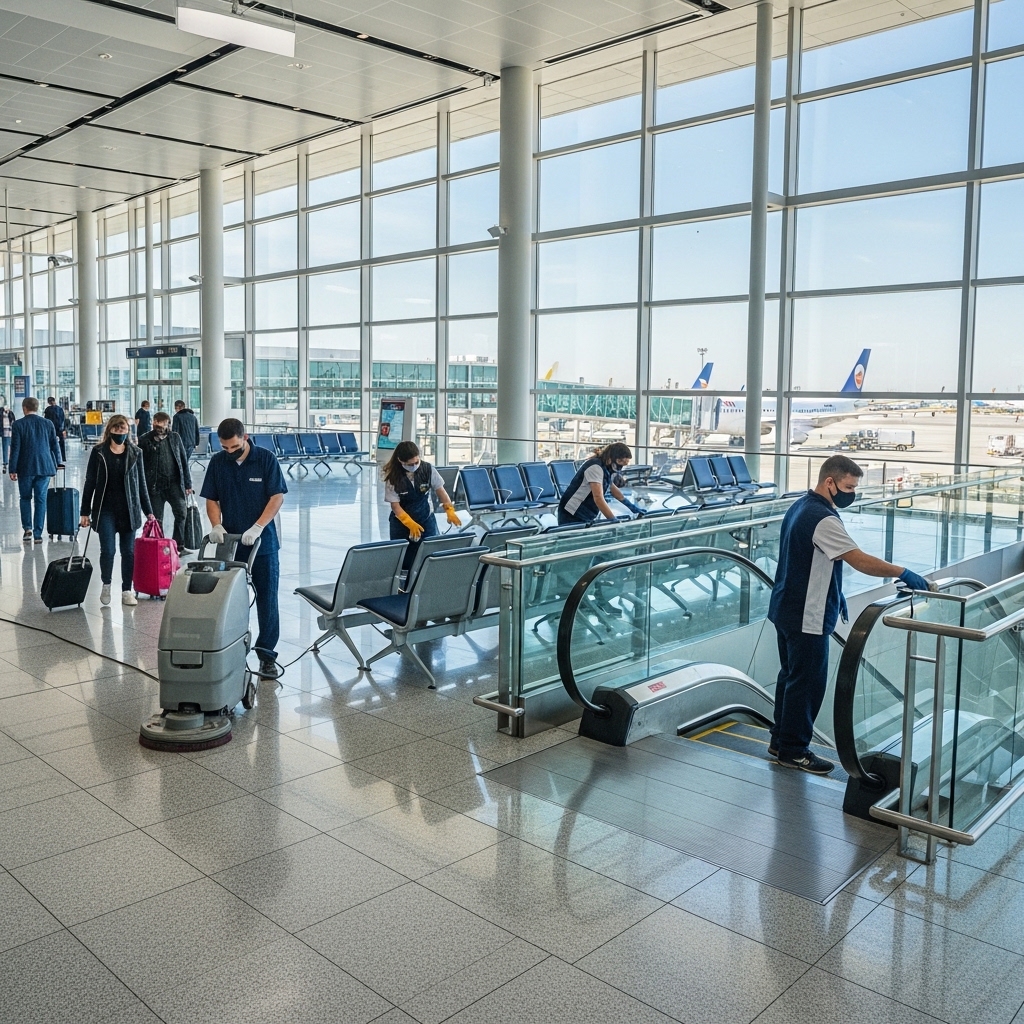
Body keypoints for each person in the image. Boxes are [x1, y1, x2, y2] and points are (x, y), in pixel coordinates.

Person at [767, 454, 933, 774]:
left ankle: (780, 740)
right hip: (807, 615)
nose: (851, 493)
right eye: (847, 486)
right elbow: (860, 560)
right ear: (829, 482)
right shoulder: (823, 518)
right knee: (808, 684)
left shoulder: (800, 506)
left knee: (790, 677)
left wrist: (835, 590)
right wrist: (904, 571)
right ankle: (794, 750)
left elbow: (806, 557)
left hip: (786, 608)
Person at [201, 418, 287, 679]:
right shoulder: (218, 462)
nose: (230, 452)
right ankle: (229, 651)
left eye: (234, 447)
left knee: (267, 599)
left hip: (262, 543)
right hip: (229, 543)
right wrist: (217, 526)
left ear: (245, 437)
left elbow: (277, 497)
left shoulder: (265, 459)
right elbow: (212, 498)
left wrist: (258, 527)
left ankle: (266, 655)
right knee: (228, 600)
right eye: (225, 447)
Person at [80, 414, 156, 607]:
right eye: (116, 429)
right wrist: (85, 511)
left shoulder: (136, 453)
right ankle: (106, 584)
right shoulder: (98, 452)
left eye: (123, 429)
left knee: (128, 552)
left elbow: (141, 485)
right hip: (105, 509)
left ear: (127, 431)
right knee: (108, 550)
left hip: (129, 509)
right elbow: (90, 482)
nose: (119, 432)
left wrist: (149, 511)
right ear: (109, 430)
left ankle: (126, 590)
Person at [382, 441, 460, 572]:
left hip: (425, 519)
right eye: (410, 464)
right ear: (401, 461)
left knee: (429, 556)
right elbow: (395, 506)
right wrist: (409, 523)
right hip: (401, 523)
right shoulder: (393, 477)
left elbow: (441, 491)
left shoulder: (428, 469)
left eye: (417, 462)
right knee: (403, 561)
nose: (415, 466)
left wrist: (449, 510)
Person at [9, 396, 63, 544]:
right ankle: (38, 534)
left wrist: (12, 469)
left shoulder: (18, 425)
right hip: (45, 467)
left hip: (25, 467)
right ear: (37, 408)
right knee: (40, 500)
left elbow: (15, 449)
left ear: (24, 408)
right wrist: (58, 462)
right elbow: (54, 444)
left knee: (25, 498)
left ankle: (28, 529)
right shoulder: (48, 423)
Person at [138, 411, 193, 548]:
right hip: (154, 486)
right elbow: (139, 463)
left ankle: (178, 544)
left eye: (163, 423)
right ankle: (160, 546)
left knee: (181, 513)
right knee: (157, 519)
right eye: (157, 422)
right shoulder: (144, 439)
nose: (159, 425)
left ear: (168, 423)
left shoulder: (175, 437)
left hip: (174, 483)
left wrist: (188, 484)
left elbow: (183, 461)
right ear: (153, 422)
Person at [557, 442, 644, 525]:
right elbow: (598, 498)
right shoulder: (595, 467)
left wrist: (634, 509)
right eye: (621, 462)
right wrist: (613, 520)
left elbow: (615, 491)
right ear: (611, 458)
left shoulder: (606, 468)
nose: (621, 467)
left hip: (586, 512)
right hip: (572, 513)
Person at [43, 397, 67, 463]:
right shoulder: (60, 409)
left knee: (51, 443)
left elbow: (46, 420)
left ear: (48, 402)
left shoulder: (48, 409)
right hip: (59, 429)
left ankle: (52, 456)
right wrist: (63, 429)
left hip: (51, 429)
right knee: (61, 444)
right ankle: (63, 457)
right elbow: (63, 420)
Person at [0, 396, 14, 471]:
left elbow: (13, 421)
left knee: (10, 447)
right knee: (6, 448)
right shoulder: (1, 412)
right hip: (5, 432)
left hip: (9, 432)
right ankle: (5, 462)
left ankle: (9, 462)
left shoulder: (10, 413)